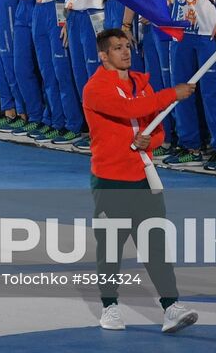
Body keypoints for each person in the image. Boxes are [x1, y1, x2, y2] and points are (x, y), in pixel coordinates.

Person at [81, 27, 197, 333]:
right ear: (103, 55)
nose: (126, 51)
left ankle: (171, 306)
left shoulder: (142, 86)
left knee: (155, 244)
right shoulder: (95, 89)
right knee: (110, 247)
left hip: (144, 178)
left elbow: (155, 128)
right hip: (111, 181)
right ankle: (110, 308)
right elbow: (128, 110)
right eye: (118, 48)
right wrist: (173, 93)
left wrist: (152, 141)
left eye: (127, 46)